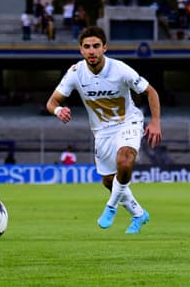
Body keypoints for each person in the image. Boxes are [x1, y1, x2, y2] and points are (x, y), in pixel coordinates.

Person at [46, 27, 163, 234]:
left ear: (105, 48)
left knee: (125, 161)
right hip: (102, 132)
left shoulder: (121, 70)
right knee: (109, 180)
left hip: (129, 122)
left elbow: (150, 91)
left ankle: (111, 207)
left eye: (96, 46)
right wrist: (58, 110)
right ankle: (139, 214)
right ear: (81, 50)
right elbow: (52, 102)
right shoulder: (75, 73)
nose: (92, 51)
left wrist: (155, 122)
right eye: (87, 47)